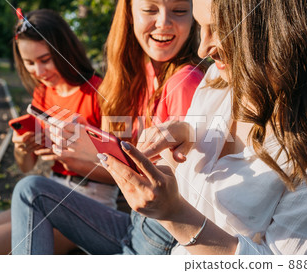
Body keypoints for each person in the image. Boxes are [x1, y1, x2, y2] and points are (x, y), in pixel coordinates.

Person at [12, 0, 307, 255]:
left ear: (275, 34)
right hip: (146, 232)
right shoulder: (220, 79)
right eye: (200, 26)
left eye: (217, 32)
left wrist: (175, 213)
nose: (202, 48)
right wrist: (184, 130)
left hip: (160, 243)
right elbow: (195, 138)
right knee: (28, 193)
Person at [11, 0, 207, 254]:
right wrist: (92, 143)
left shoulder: (184, 80)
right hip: (134, 224)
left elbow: (176, 191)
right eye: (150, 10)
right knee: (28, 189)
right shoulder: (140, 76)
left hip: (158, 234)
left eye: (180, 11)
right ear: (129, 16)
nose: (163, 22)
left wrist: (91, 156)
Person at [0, 9, 108, 255]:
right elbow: (26, 167)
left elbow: (119, 171)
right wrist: (22, 147)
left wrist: (68, 156)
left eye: (45, 59)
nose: (39, 71)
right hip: (48, 192)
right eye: (29, 63)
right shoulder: (43, 94)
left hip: (91, 201)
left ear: (65, 50)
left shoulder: (98, 93)